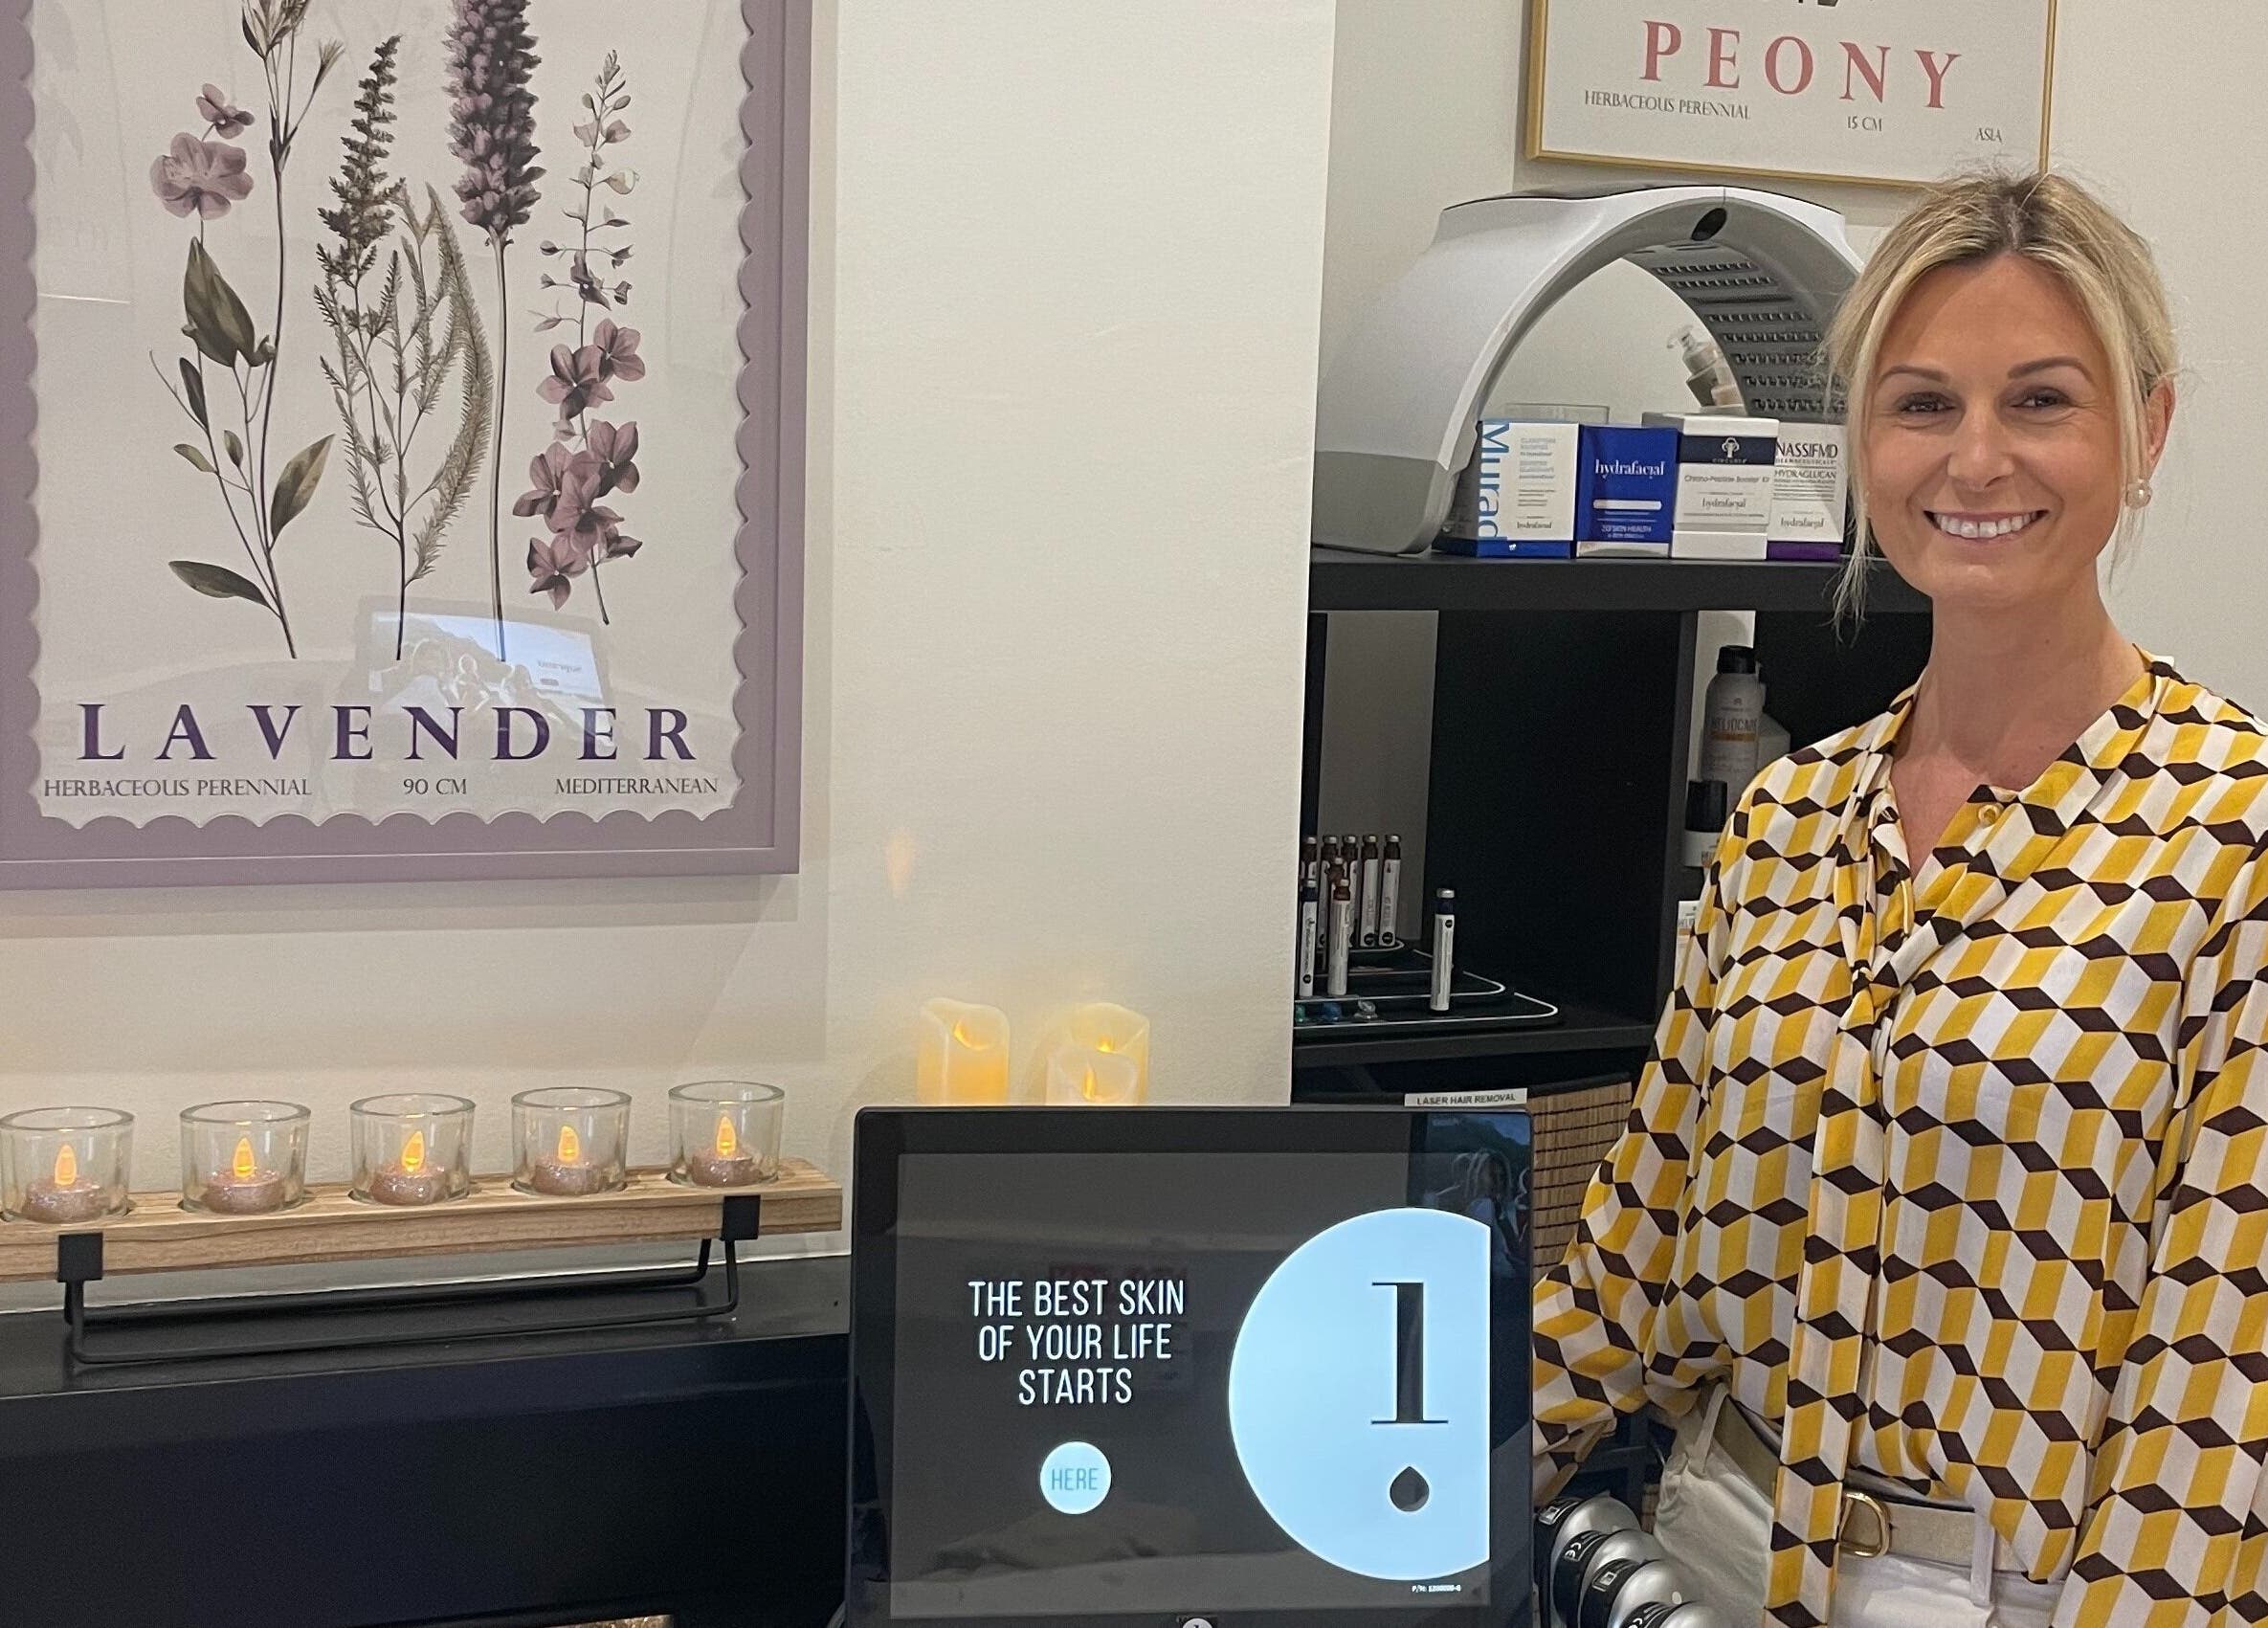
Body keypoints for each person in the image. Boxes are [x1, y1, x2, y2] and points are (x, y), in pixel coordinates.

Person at [1532, 171, 2268, 1628]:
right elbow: (1642, 1235)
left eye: (2040, 401)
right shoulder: (1790, 819)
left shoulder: (2229, 844)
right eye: (1920, 402)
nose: (1974, 459)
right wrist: (1405, 1491)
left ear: (2145, 431)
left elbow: (2216, 1394)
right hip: (1706, 1554)